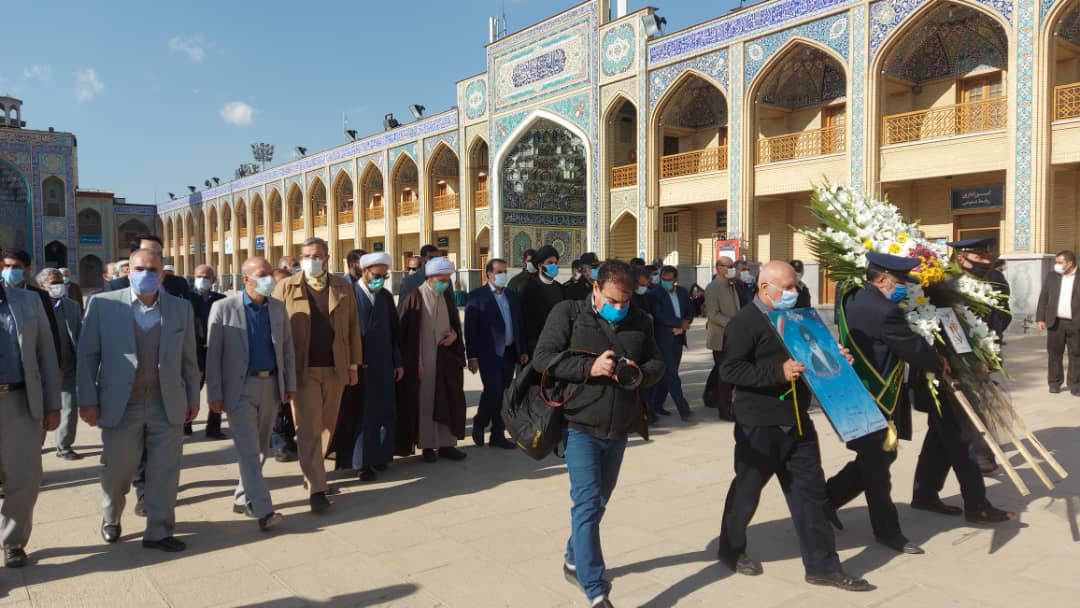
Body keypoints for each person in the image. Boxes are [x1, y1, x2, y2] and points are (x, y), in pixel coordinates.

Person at [717, 260, 872, 591]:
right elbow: (730, 370)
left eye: (796, 286)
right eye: (787, 287)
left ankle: (822, 566)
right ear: (764, 287)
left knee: (810, 495)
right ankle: (730, 548)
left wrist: (835, 357)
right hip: (759, 424)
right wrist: (778, 372)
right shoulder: (744, 322)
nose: (793, 292)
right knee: (747, 491)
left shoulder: (799, 317)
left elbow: (812, 356)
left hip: (798, 421)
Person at [533, 259, 664, 608]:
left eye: (626, 301)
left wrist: (641, 373)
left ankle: (573, 557)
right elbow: (542, 358)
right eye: (612, 300)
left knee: (598, 502)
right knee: (588, 501)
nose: (619, 307)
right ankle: (594, 587)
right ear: (596, 287)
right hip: (579, 425)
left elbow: (658, 362)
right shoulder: (569, 313)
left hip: (619, 428)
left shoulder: (640, 319)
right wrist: (589, 367)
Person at [77, 248, 200, 552]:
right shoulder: (103, 305)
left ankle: (159, 530)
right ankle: (111, 516)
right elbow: (88, 355)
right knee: (118, 468)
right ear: (128, 272)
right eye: (140, 268)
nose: (146, 274)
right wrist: (88, 399)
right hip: (121, 403)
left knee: (165, 470)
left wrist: (193, 396)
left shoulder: (180, 308)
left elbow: (189, 358)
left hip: (165, 401)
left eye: (153, 269)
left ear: (162, 275)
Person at [827, 252, 945, 555]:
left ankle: (825, 500)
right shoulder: (885, 310)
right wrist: (940, 362)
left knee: (875, 460)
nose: (904, 286)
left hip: (857, 393)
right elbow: (911, 348)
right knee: (878, 467)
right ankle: (888, 531)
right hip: (878, 398)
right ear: (881, 280)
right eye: (900, 281)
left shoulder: (852, 296)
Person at [273, 238, 362, 513]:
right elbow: (274, 330)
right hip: (303, 371)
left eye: (318, 255)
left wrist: (353, 366)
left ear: (327, 258)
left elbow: (353, 329)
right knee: (309, 428)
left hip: (336, 368)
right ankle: (317, 488)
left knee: (327, 427)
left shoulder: (343, 286)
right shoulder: (286, 287)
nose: (312, 260)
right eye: (307, 256)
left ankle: (314, 474)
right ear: (300, 259)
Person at [205, 257, 295, 531]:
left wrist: (289, 384)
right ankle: (262, 508)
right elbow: (213, 355)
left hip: (271, 386)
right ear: (246, 279)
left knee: (261, 449)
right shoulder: (224, 308)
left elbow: (287, 349)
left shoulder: (277, 308)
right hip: (239, 388)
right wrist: (214, 393)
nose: (269, 279)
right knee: (248, 450)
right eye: (262, 274)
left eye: (270, 273)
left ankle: (242, 497)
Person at [0, 278, 62, 568]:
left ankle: (13, 541)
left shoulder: (28, 302)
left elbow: (46, 355)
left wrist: (52, 404)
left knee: (25, 477)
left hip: (20, 400)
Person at [329, 252, 402, 482]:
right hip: (357, 367)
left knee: (384, 412)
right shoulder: (348, 295)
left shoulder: (386, 297)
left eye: (384, 276)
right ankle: (362, 462)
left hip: (384, 365)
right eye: (377, 275)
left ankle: (380, 455)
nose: (380, 280)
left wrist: (397, 362)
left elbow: (394, 332)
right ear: (364, 272)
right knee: (362, 415)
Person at [395, 257, 468, 463]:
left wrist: (454, 335)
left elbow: (455, 324)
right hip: (424, 362)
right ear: (430, 277)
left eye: (447, 280)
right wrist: (416, 362)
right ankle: (427, 445)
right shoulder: (415, 297)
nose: (444, 283)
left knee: (448, 399)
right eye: (441, 280)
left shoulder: (447, 296)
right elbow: (407, 335)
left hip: (446, 359)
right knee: (426, 402)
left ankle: (447, 445)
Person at [465, 258, 528, 449]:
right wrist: (472, 356)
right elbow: (470, 330)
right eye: (499, 272)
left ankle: (497, 434)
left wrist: (522, 350)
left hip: (509, 352)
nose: (503, 275)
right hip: (488, 354)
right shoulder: (477, 296)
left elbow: (518, 324)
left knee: (505, 394)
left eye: (505, 271)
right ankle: (480, 422)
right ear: (489, 274)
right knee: (493, 391)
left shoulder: (511, 296)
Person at [37, 268, 83, 460]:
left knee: (69, 408)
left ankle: (64, 447)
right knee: (39, 409)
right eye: (53, 283)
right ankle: (35, 446)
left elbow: (79, 334)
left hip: (68, 366)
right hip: (40, 369)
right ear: (41, 286)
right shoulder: (34, 305)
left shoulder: (71, 306)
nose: (59, 286)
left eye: (60, 282)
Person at [2, 248, 62, 368]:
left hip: (32, 365)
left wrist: (56, 365)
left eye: (16, 267)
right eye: (6, 266)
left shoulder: (39, 296)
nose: (9, 271)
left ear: (27, 269)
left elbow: (50, 333)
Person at [648, 265, 694, 421]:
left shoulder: (682, 292)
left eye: (669, 280)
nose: (666, 282)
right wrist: (679, 324)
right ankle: (684, 409)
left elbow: (689, 311)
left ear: (676, 279)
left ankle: (656, 404)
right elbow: (659, 316)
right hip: (663, 339)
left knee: (667, 374)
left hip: (678, 338)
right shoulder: (655, 294)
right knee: (672, 374)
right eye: (663, 279)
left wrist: (685, 323)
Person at [189, 264, 226, 439]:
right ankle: (186, 423)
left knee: (217, 388)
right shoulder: (186, 298)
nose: (202, 280)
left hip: (215, 349)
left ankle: (213, 427)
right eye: (199, 276)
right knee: (192, 387)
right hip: (194, 349)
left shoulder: (221, 300)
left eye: (206, 277)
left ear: (213, 280)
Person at [1036, 250, 1080, 396]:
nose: (1057, 265)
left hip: (1076, 323)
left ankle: (1075, 385)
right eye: (1056, 262)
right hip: (1056, 322)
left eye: (1060, 262)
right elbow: (1043, 298)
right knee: (1054, 355)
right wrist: (1040, 318)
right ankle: (1054, 383)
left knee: (1076, 354)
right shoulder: (1052, 276)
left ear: (1070, 263)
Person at [703, 256, 740, 421]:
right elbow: (713, 314)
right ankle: (724, 409)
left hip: (733, 336)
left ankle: (723, 402)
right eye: (728, 266)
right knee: (724, 375)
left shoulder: (731, 285)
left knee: (728, 373)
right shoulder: (713, 287)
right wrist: (733, 323)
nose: (732, 269)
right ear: (719, 268)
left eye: (733, 266)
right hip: (720, 338)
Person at [270, 268, 299, 463]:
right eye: (279, 282)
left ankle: (288, 439)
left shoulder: (291, 303)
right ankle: (279, 444)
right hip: (274, 365)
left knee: (289, 406)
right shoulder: (267, 307)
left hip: (293, 361)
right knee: (278, 408)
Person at [105, 235, 189, 298]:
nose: (154, 257)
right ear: (134, 255)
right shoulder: (115, 287)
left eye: (158, 254)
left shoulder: (178, 283)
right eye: (149, 253)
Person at [521, 245, 564, 357]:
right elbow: (526, 323)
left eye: (555, 263)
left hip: (558, 345)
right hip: (536, 347)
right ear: (540, 266)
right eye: (550, 263)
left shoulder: (561, 288)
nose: (554, 266)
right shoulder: (530, 289)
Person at [397, 244, 440, 312]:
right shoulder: (408, 282)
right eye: (431, 257)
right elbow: (402, 310)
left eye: (436, 258)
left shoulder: (445, 280)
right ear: (422, 259)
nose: (434, 261)